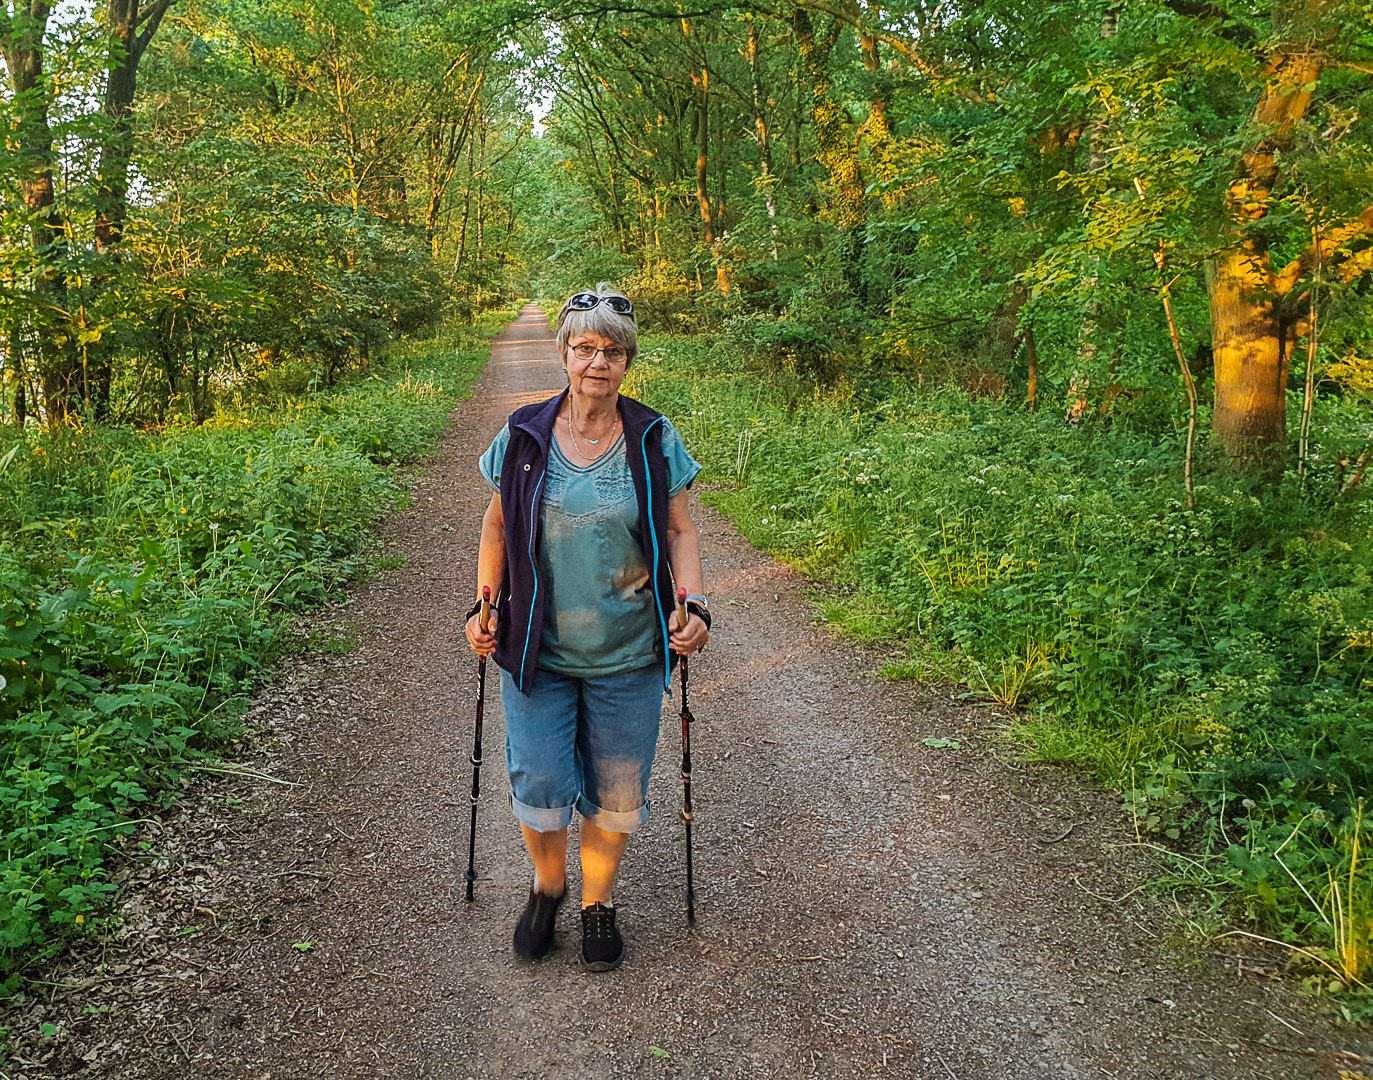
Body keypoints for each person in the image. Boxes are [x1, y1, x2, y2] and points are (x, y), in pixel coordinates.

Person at [465, 283, 710, 972]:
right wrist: (482, 604)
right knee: (539, 783)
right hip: (536, 648)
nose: (597, 361)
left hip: (628, 650)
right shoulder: (522, 434)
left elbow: (679, 529)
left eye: (612, 351)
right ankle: (548, 886)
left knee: (618, 788)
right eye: (584, 348)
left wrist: (690, 605)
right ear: (563, 355)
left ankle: (597, 901)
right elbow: (495, 526)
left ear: (627, 362)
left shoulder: (654, 437)